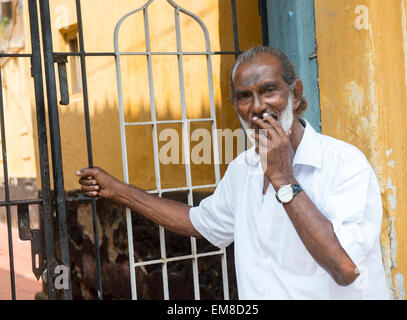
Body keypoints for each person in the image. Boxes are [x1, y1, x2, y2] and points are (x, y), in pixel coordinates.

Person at [77, 46, 390, 299]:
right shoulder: (243, 169)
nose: (257, 107)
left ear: (294, 94)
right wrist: (118, 191)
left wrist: (283, 179)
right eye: (244, 96)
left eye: (269, 90)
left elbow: (345, 268)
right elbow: (198, 221)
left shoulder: (345, 165)